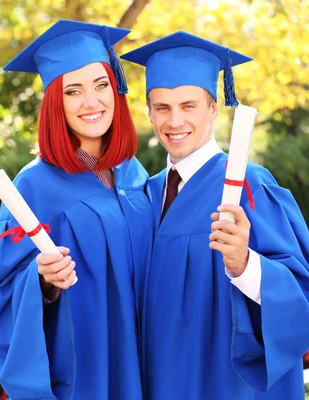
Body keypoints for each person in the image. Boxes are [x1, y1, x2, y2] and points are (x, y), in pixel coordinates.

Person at [0, 19, 154, 399]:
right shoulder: (33, 186)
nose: (92, 101)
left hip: (148, 362)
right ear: (55, 103)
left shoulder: (135, 173)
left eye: (101, 85)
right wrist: (42, 281)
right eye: (73, 91)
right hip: (86, 372)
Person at [121, 31, 309, 399]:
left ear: (213, 108)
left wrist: (246, 265)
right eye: (162, 107)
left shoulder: (250, 186)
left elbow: (301, 293)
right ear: (148, 113)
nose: (174, 121)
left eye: (188, 106)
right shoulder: (146, 194)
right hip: (160, 377)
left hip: (226, 383)